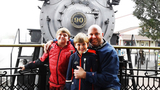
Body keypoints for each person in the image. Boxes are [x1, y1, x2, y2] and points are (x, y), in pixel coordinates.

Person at [44, 24, 121, 90]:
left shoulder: (110, 52)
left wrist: (85, 75)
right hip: (92, 85)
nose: (93, 37)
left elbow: (109, 78)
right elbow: (73, 40)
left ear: (102, 35)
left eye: (97, 34)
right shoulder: (86, 45)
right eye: (91, 34)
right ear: (88, 36)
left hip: (107, 86)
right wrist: (53, 41)